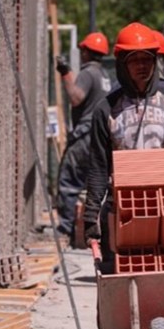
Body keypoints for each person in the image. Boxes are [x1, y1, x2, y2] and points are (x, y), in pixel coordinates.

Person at [83, 22, 164, 265]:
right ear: (122, 64)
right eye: (134, 60)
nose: (142, 66)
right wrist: (91, 214)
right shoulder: (106, 109)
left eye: (147, 59)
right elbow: (98, 167)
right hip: (122, 209)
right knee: (118, 281)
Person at [54, 32, 112, 242]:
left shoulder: (88, 73)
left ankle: (66, 230)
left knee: (69, 180)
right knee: (93, 182)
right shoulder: (104, 76)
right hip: (98, 136)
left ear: (87, 52)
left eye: (83, 50)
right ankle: (93, 231)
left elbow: (76, 97)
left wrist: (66, 72)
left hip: (85, 136)